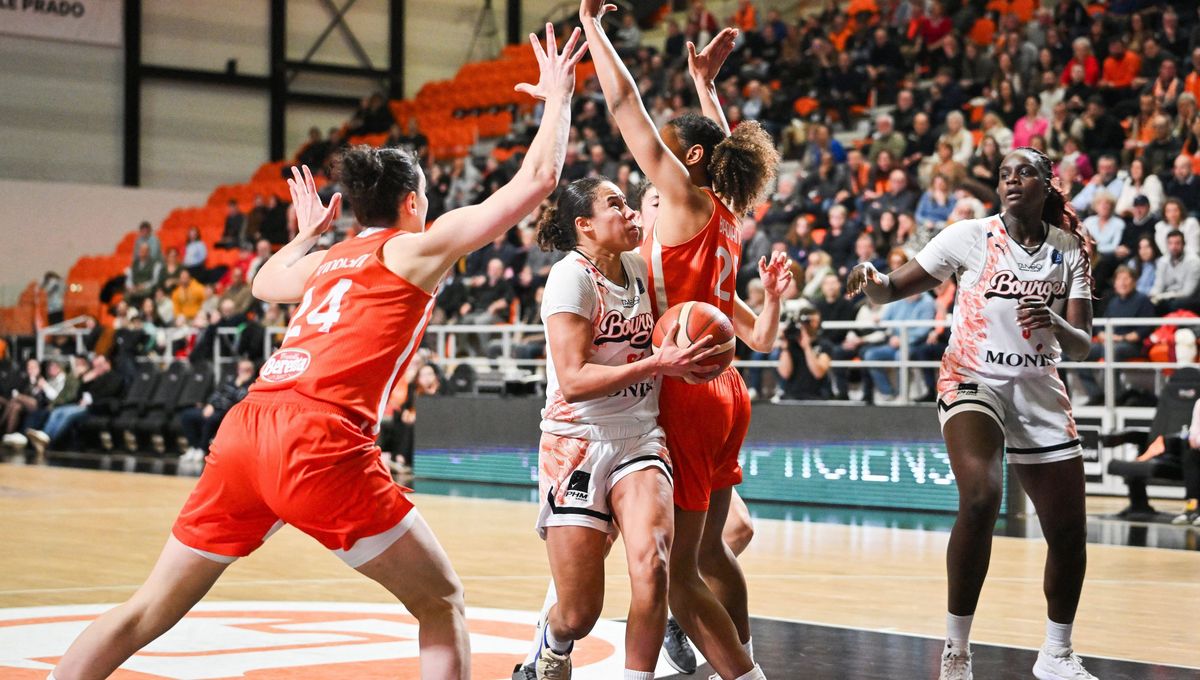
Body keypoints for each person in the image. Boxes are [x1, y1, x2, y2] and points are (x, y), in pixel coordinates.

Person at [51, 24, 587, 680]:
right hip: (320, 440)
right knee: (441, 600)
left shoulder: (331, 258)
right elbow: (537, 180)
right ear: (413, 202)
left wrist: (305, 235)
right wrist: (558, 97)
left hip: (247, 432)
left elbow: (259, 281)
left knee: (148, 608)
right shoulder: (414, 247)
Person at [580, 6, 788, 679]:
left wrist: (595, 32)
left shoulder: (680, 196)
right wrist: (705, 86)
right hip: (728, 388)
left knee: (677, 575)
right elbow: (724, 154)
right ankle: (746, 654)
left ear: (687, 160)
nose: (656, 156)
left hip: (684, 383)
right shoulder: (724, 209)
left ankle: (744, 673)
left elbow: (623, 104)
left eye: (673, 146)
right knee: (715, 554)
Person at [847, 147, 1099, 680]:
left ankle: (1056, 654)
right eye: (1005, 174)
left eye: (1025, 173)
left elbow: (1081, 346)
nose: (1012, 181)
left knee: (1070, 531)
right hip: (971, 378)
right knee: (983, 495)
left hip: (1038, 387)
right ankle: (956, 652)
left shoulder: (1069, 250)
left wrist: (1052, 317)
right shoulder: (970, 236)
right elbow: (891, 288)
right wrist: (871, 282)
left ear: (1046, 184)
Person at [526, 177, 717, 680]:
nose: (630, 212)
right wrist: (657, 364)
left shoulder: (640, 265)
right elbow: (573, 381)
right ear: (584, 225)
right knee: (578, 613)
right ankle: (553, 644)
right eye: (616, 205)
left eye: (630, 202)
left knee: (653, 567)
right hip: (576, 443)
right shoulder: (571, 278)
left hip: (639, 436)